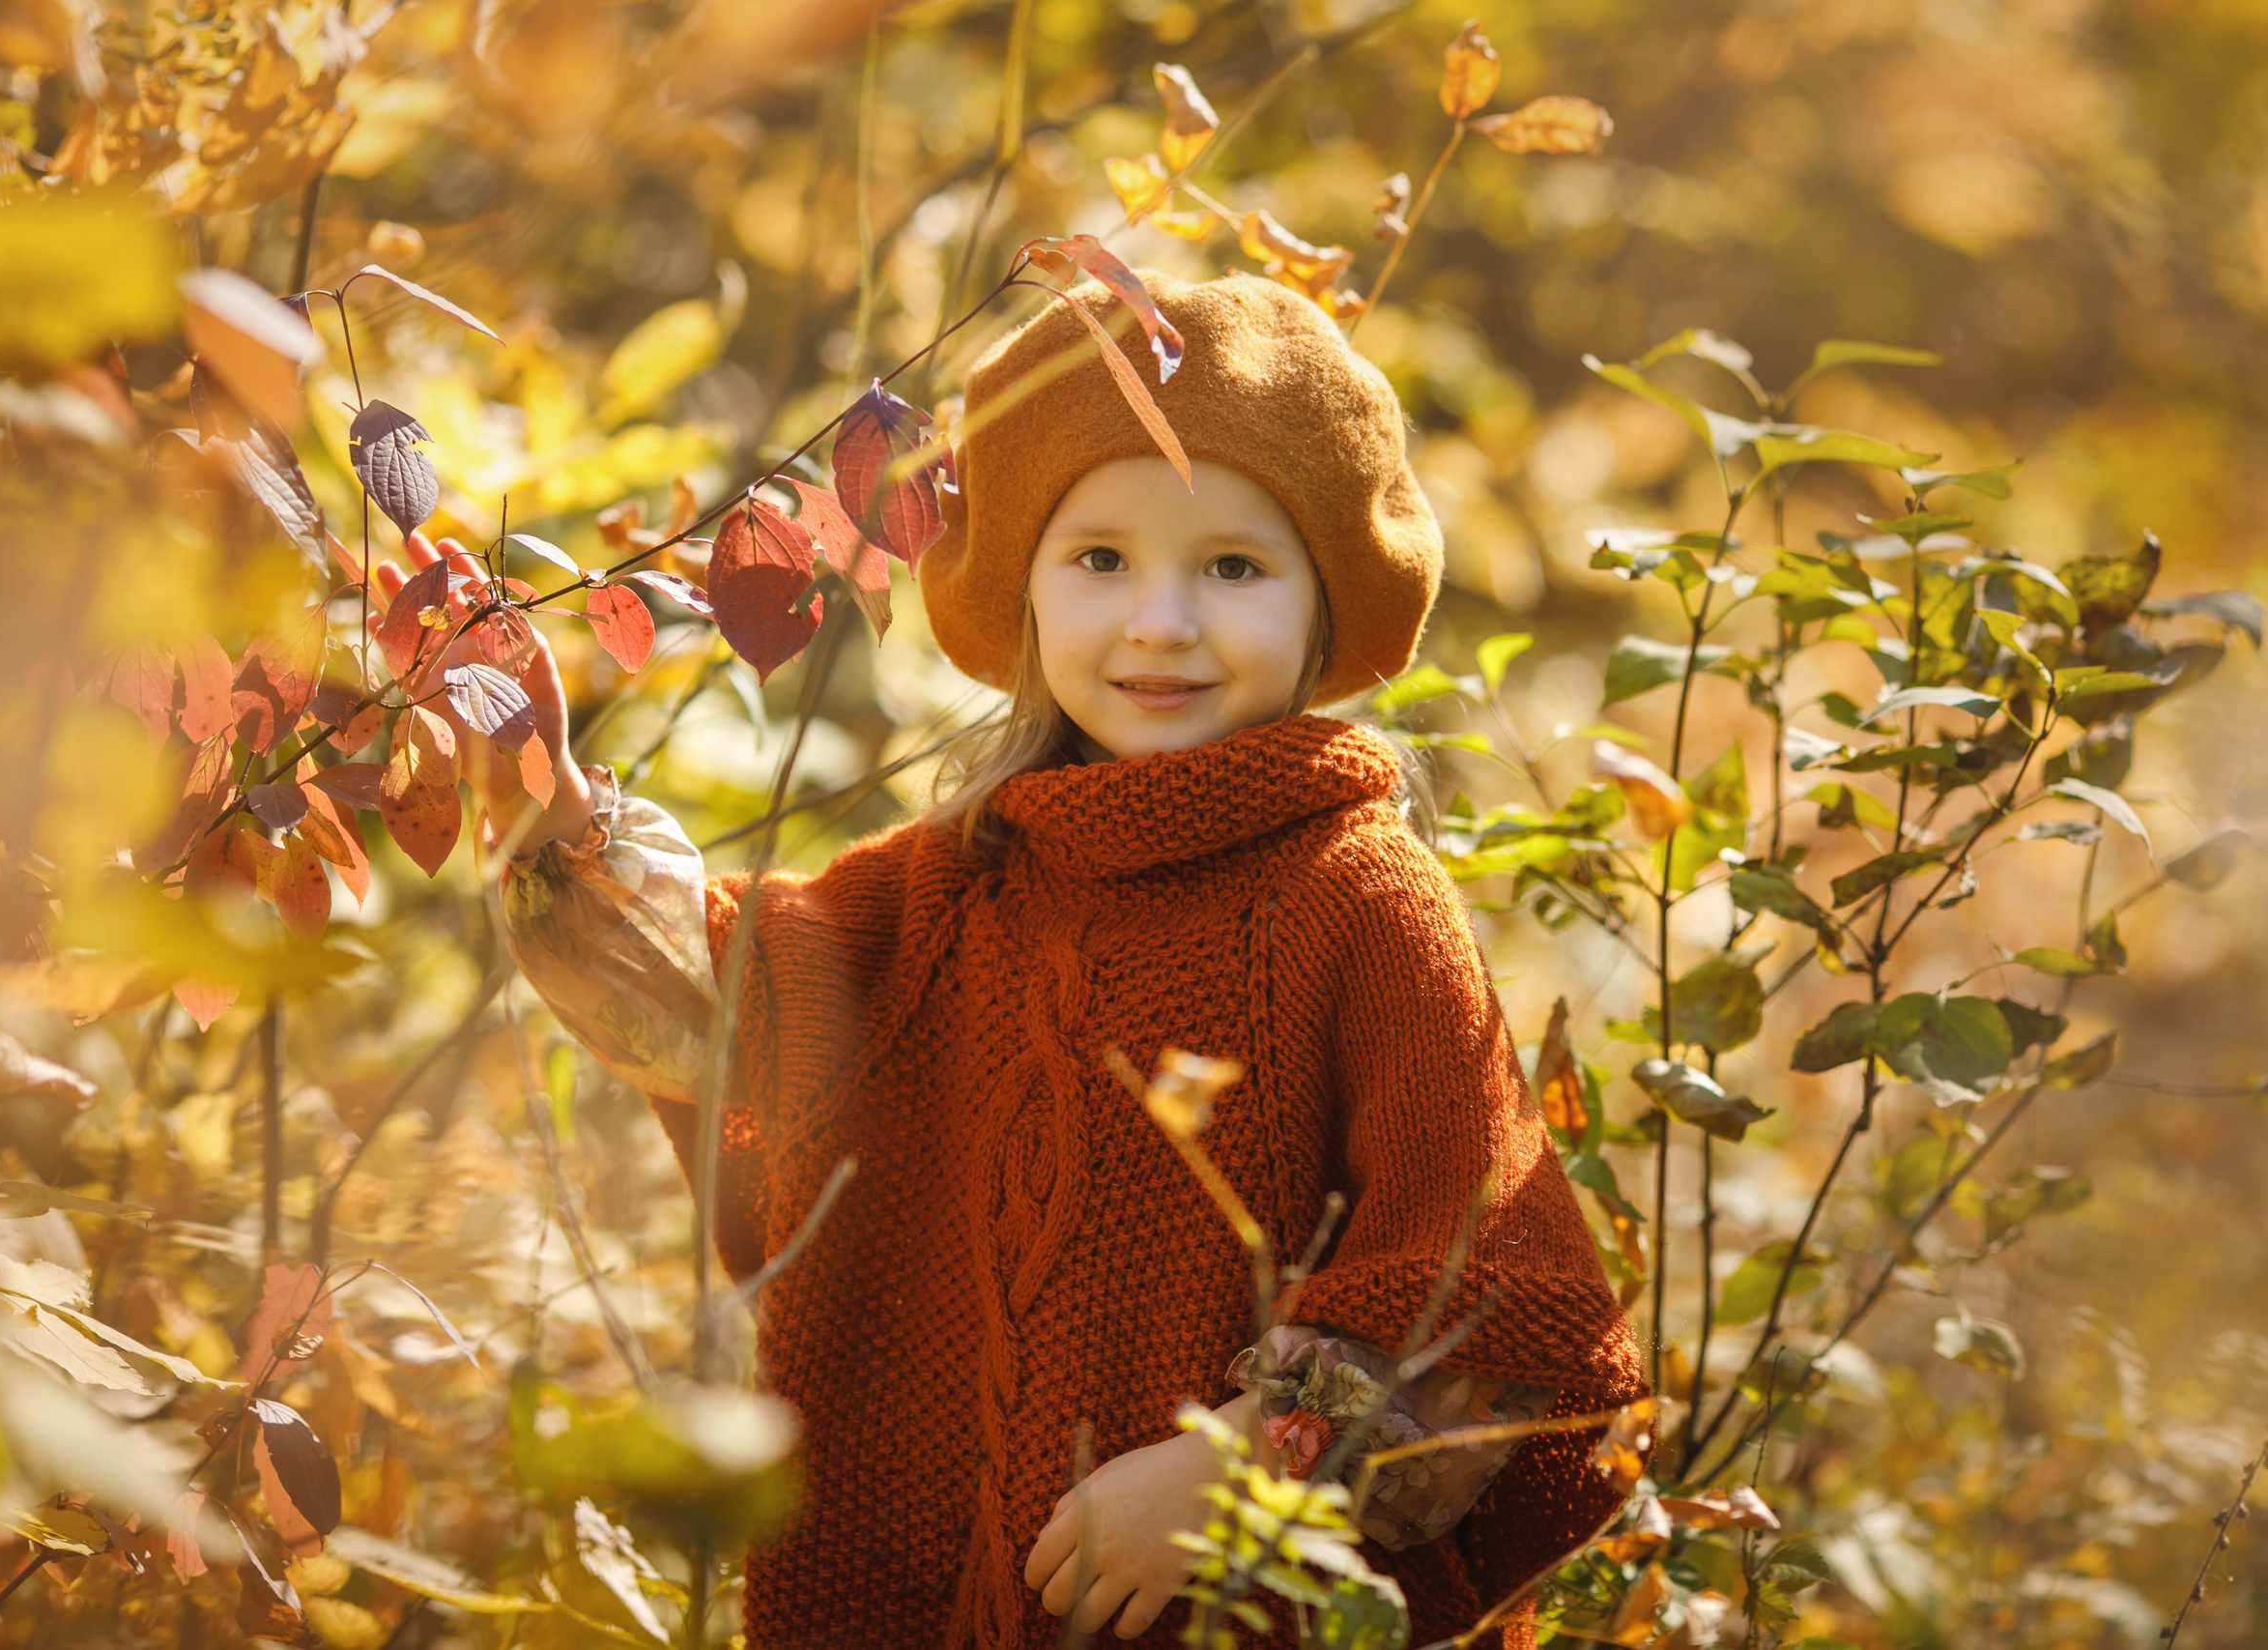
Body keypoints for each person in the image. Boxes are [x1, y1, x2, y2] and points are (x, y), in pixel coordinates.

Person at [379, 271, 1643, 1648]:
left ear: (1325, 607)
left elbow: (1499, 1296)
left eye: (1233, 565)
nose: (1160, 620)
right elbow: (720, 1011)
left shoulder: (1356, 900)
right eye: (1100, 559)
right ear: (1028, 595)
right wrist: (556, 822)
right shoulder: (952, 887)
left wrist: (1250, 1460)